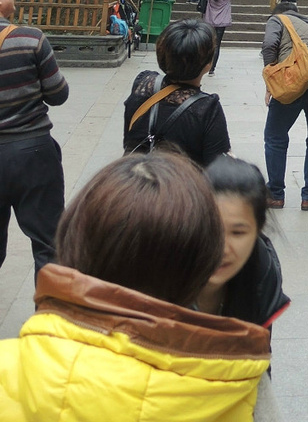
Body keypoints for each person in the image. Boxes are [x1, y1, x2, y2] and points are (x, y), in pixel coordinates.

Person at [0, 152, 272, 421]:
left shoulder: (8, 368)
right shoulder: (238, 393)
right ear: (196, 265)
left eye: (238, 232)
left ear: (71, 237)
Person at [0, 0, 68, 275]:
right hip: (34, 154)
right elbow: (58, 94)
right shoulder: (30, 39)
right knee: (49, 244)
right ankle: (49, 320)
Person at [196, 155, 290, 329]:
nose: (222, 249)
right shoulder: (162, 275)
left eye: (237, 233)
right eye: (212, 229)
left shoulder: (262, 278)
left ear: (258, 229)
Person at [123, 19, 230, 164]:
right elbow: (216, 170)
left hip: (133, 179)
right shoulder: (207, 108)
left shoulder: (142, 82)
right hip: (179, 184)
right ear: (208, 64)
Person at [261, 0, 308, 210]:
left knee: (275, 136)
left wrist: (270, 81)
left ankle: (275, 194)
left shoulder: (277, 19)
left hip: (292, 80)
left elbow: (269, 45)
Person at [203, 0, 242, 73]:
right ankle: (212, 68)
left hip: (209, 19)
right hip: (222, 21)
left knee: (208, 43)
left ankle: (205, 64)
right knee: (217, 44)